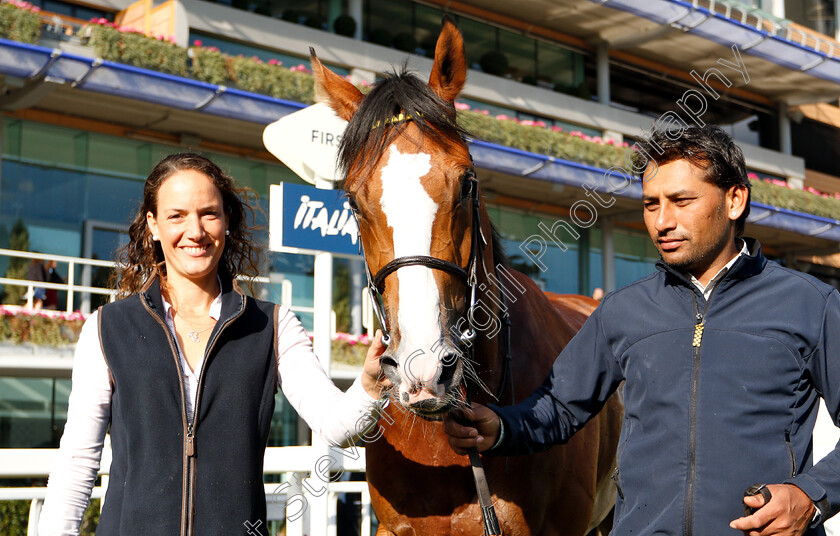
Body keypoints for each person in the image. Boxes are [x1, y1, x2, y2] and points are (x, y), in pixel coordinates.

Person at [444, 126, 840, 536]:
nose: (662, 221)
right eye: (651, 204)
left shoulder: (810, 304)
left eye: (681, 201)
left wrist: (812, 496)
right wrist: (502, 428)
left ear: (734, 199)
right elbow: (561, 406)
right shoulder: (623, 310)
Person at [39, 153, 390, 535]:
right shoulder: (107, 328)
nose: (195, 231)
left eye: (209, 213)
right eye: (177, 216)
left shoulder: (272, 326)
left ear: (226, 221)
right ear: (153, 226)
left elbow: (336, 424)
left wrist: (370, 385)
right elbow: (76, 463)